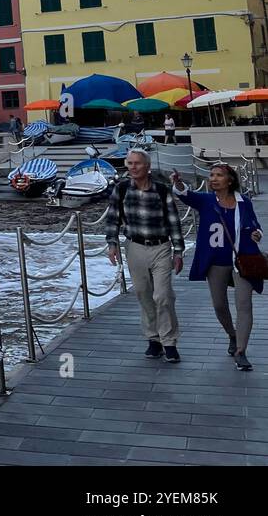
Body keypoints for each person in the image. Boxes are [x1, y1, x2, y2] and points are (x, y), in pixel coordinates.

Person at [171, 163, 264, 371]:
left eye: (218, 175)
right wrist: (177, 182)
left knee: (244, 305)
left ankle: (241, 351)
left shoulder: (244, 203)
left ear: (229, 180)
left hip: (243, 260)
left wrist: (257, 234)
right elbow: (185, 194)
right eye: (211, 175)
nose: (213, 179)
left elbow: (256, 225)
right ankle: (232, 334)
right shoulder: (205, 200)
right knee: (219, 305)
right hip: (215, 261)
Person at [105, 149, 186, 361]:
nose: (133, 167)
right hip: (134, 247)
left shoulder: (161, 189)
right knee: (143, 294)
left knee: (163, 295)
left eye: (137, 163)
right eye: (130, 163)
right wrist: (111, 244)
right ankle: (153, 339)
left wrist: (178, 251)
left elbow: (173, 221)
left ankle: (169, 341)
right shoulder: (121, 189)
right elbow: (113, 218)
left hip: (160, 246)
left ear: (147, 166)